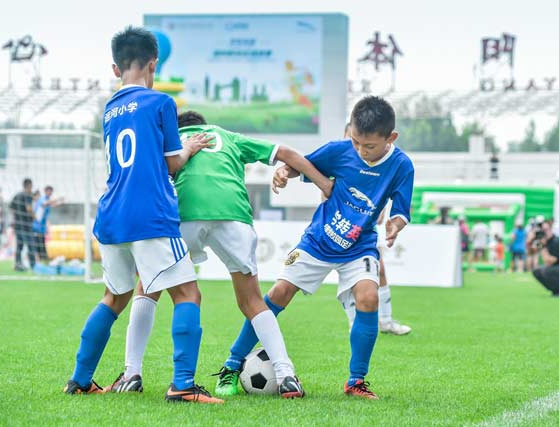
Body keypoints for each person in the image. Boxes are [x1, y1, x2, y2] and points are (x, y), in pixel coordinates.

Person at [107, 110, 333, 399]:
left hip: (184, 215)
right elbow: (286, 152)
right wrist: (324, 184)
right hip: (234, 218)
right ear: (205, 124)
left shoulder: (173, 141)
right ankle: (286, 375)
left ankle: (131, 373)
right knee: (251, 300)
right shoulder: (228, 137)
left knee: (147, 288)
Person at [63, 26, 223, 404]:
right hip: (150, 215)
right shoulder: (161, 104)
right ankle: (182, 385)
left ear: (115, 68)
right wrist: (188, 148)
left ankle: (80, 379)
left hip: (111, 216)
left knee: (114, 296)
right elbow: (170, 165)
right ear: (153, 64)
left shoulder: (109, 110)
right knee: (188, 293)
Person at [215, 96, 414, 400]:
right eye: (356, 142)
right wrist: (284, 172)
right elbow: (304, 164)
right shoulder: (341, 150)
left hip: (359, 246)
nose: (361, 150)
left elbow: (401, 208)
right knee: (278, 294)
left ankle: (356, 381)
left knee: (369, 298)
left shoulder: (401, 166)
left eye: (369, 146)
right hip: (318, 240)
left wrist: (395, 225)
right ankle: (231, 365)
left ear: (391, 138)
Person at [341, 124, 410, 336]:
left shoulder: (380, 165)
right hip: (341, 231)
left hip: (367, 231)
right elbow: (326, 196)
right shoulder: (342, 163)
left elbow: (380, 204)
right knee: (350, 280)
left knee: (379, 271)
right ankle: (355, 323)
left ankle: (386, 321)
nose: (360, 148)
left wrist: (385, 217)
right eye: (353, 140)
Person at [9, 178, 35, 271]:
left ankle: (18, 264)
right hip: (26, 225)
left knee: (19, 246)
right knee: (31, 245)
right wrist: (34, 217)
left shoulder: (17, 195)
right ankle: (33, 265)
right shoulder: (27, 195)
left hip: (18, 225)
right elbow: (29, 208)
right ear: (29, 186)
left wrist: (14, 219)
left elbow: (11, 208)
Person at [32, 185, 63, 263]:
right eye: (49, 191)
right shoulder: (42, 199)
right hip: (36, 225)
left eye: (51, 191)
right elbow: (45, 204)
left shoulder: (48, 200)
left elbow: (51, 205)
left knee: (42, 242)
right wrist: (57, 199)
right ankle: (37, 259)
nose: (50, 193)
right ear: (45, 191)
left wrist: (60, 202)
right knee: (37, 243)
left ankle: (43, 259)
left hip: (42, 226)